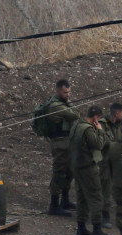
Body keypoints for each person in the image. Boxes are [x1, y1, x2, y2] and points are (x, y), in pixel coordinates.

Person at [69, 105, 114, 235]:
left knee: (82, 197)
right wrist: (100, 131)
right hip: (88, 167)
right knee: (96, 197)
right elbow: (98, 145)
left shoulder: (76, 126)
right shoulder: (88, 129)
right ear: (96, 117)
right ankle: (97, 230)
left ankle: (81, 228)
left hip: (77, 166)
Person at [44, 79, 82, 217]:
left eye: (69, 92)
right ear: (58, 90)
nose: (68, 95)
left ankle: (65, 201)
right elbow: (75, 114)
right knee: (59, 172)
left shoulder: (63, 102)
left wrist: (67, 101)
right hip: (59, 143)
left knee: (69, 171)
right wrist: (68, 104)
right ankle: (54, 205)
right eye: (65, 92)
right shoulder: (55, 106)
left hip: (67, 141)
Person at [98, 103, 122, 228]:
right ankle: (104, 215)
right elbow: (102, 142)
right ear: (116, 113)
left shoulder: (120, 125)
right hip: (105, 162)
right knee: (105, 189)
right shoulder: (102, 124)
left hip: (117, 162)